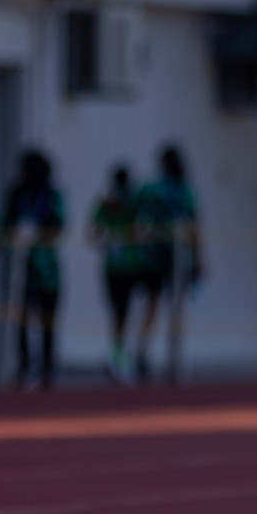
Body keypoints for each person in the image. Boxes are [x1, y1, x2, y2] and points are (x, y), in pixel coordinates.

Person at [0, 150, 64, 390]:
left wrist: (38, 232)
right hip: (17, 270)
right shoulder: (15, 194)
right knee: (20, 320)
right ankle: (23, 366)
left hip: (47, 271)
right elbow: (2, 224)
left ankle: (47, 367)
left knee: (47, 320)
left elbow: (59, 224)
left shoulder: (51, 195)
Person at [136, 145, 202, 383]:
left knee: (175, 308)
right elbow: (139, 217)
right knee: (154, 306)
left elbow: (194, 223)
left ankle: (174, 357)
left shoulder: (183, 189)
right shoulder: (154, 189)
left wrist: (197, 258)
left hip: (178, 258)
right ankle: (142, 353)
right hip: (157, 257)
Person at [90, 165, 142, 381]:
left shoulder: (134, 204)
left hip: (129, 267)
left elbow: (142, 232)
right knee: (116, 312)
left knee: (125, 312)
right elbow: (93, 234)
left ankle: (122, 354)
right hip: (112, 267)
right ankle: (116, 354)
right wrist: (108, 235)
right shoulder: (105, 204)